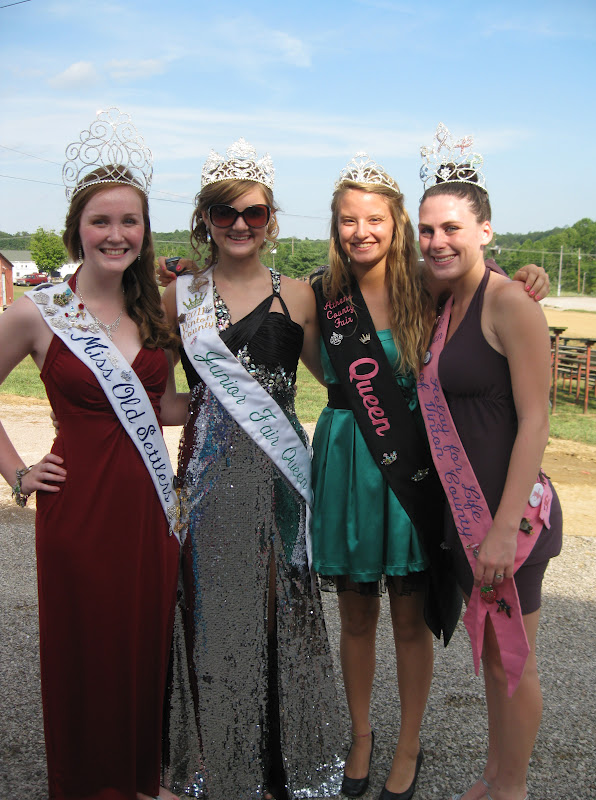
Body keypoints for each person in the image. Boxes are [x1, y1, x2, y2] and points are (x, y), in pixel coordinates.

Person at [308, 152, 551, 800]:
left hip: (460, 494)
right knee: (388, 627)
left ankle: (468, 770)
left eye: (377, 219)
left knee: (468, 642)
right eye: (347, 220)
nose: (362, 231)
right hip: (400, 486)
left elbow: (532, 411)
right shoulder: (355, 295)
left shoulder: (462, 293)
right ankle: (433, 759)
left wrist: (525, 272)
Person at [0, 109, 186, 800]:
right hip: (78, 512)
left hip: (147, 510)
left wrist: (217, 406)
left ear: (144, 232)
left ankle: (140, 779)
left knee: (143, 645)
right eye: (101, 221)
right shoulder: (37, 310)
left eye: (129, 221)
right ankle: (89, 786)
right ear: (78, 227)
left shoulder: (156, 313)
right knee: (88, 651)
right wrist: (17, 470)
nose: (116, 234)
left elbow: (159, 407)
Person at [160, 138, 343, 800]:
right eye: (224, 212)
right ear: (204, 219)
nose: (240, 225)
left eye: (255, 213)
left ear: (271, 220)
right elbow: (153, 389)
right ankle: (216, 761)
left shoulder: (300, 295)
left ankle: (276, 766)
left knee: (276, 616)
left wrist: (499, 281)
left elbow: (345, 380)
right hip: (209, 483)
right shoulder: (177, 295)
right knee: (211, 619)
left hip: (279, 481)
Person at [416, 123, 562, 800]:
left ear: (485, 231)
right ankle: (494, 775)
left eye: (450, 227)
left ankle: (514, 789)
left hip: (510, 521)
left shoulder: (509, 302)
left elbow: (536, 419)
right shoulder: (447, 302)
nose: (437, 241)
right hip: (464, 514)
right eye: (426, 230)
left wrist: (503, 529)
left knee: (515, 662)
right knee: (496, 663)